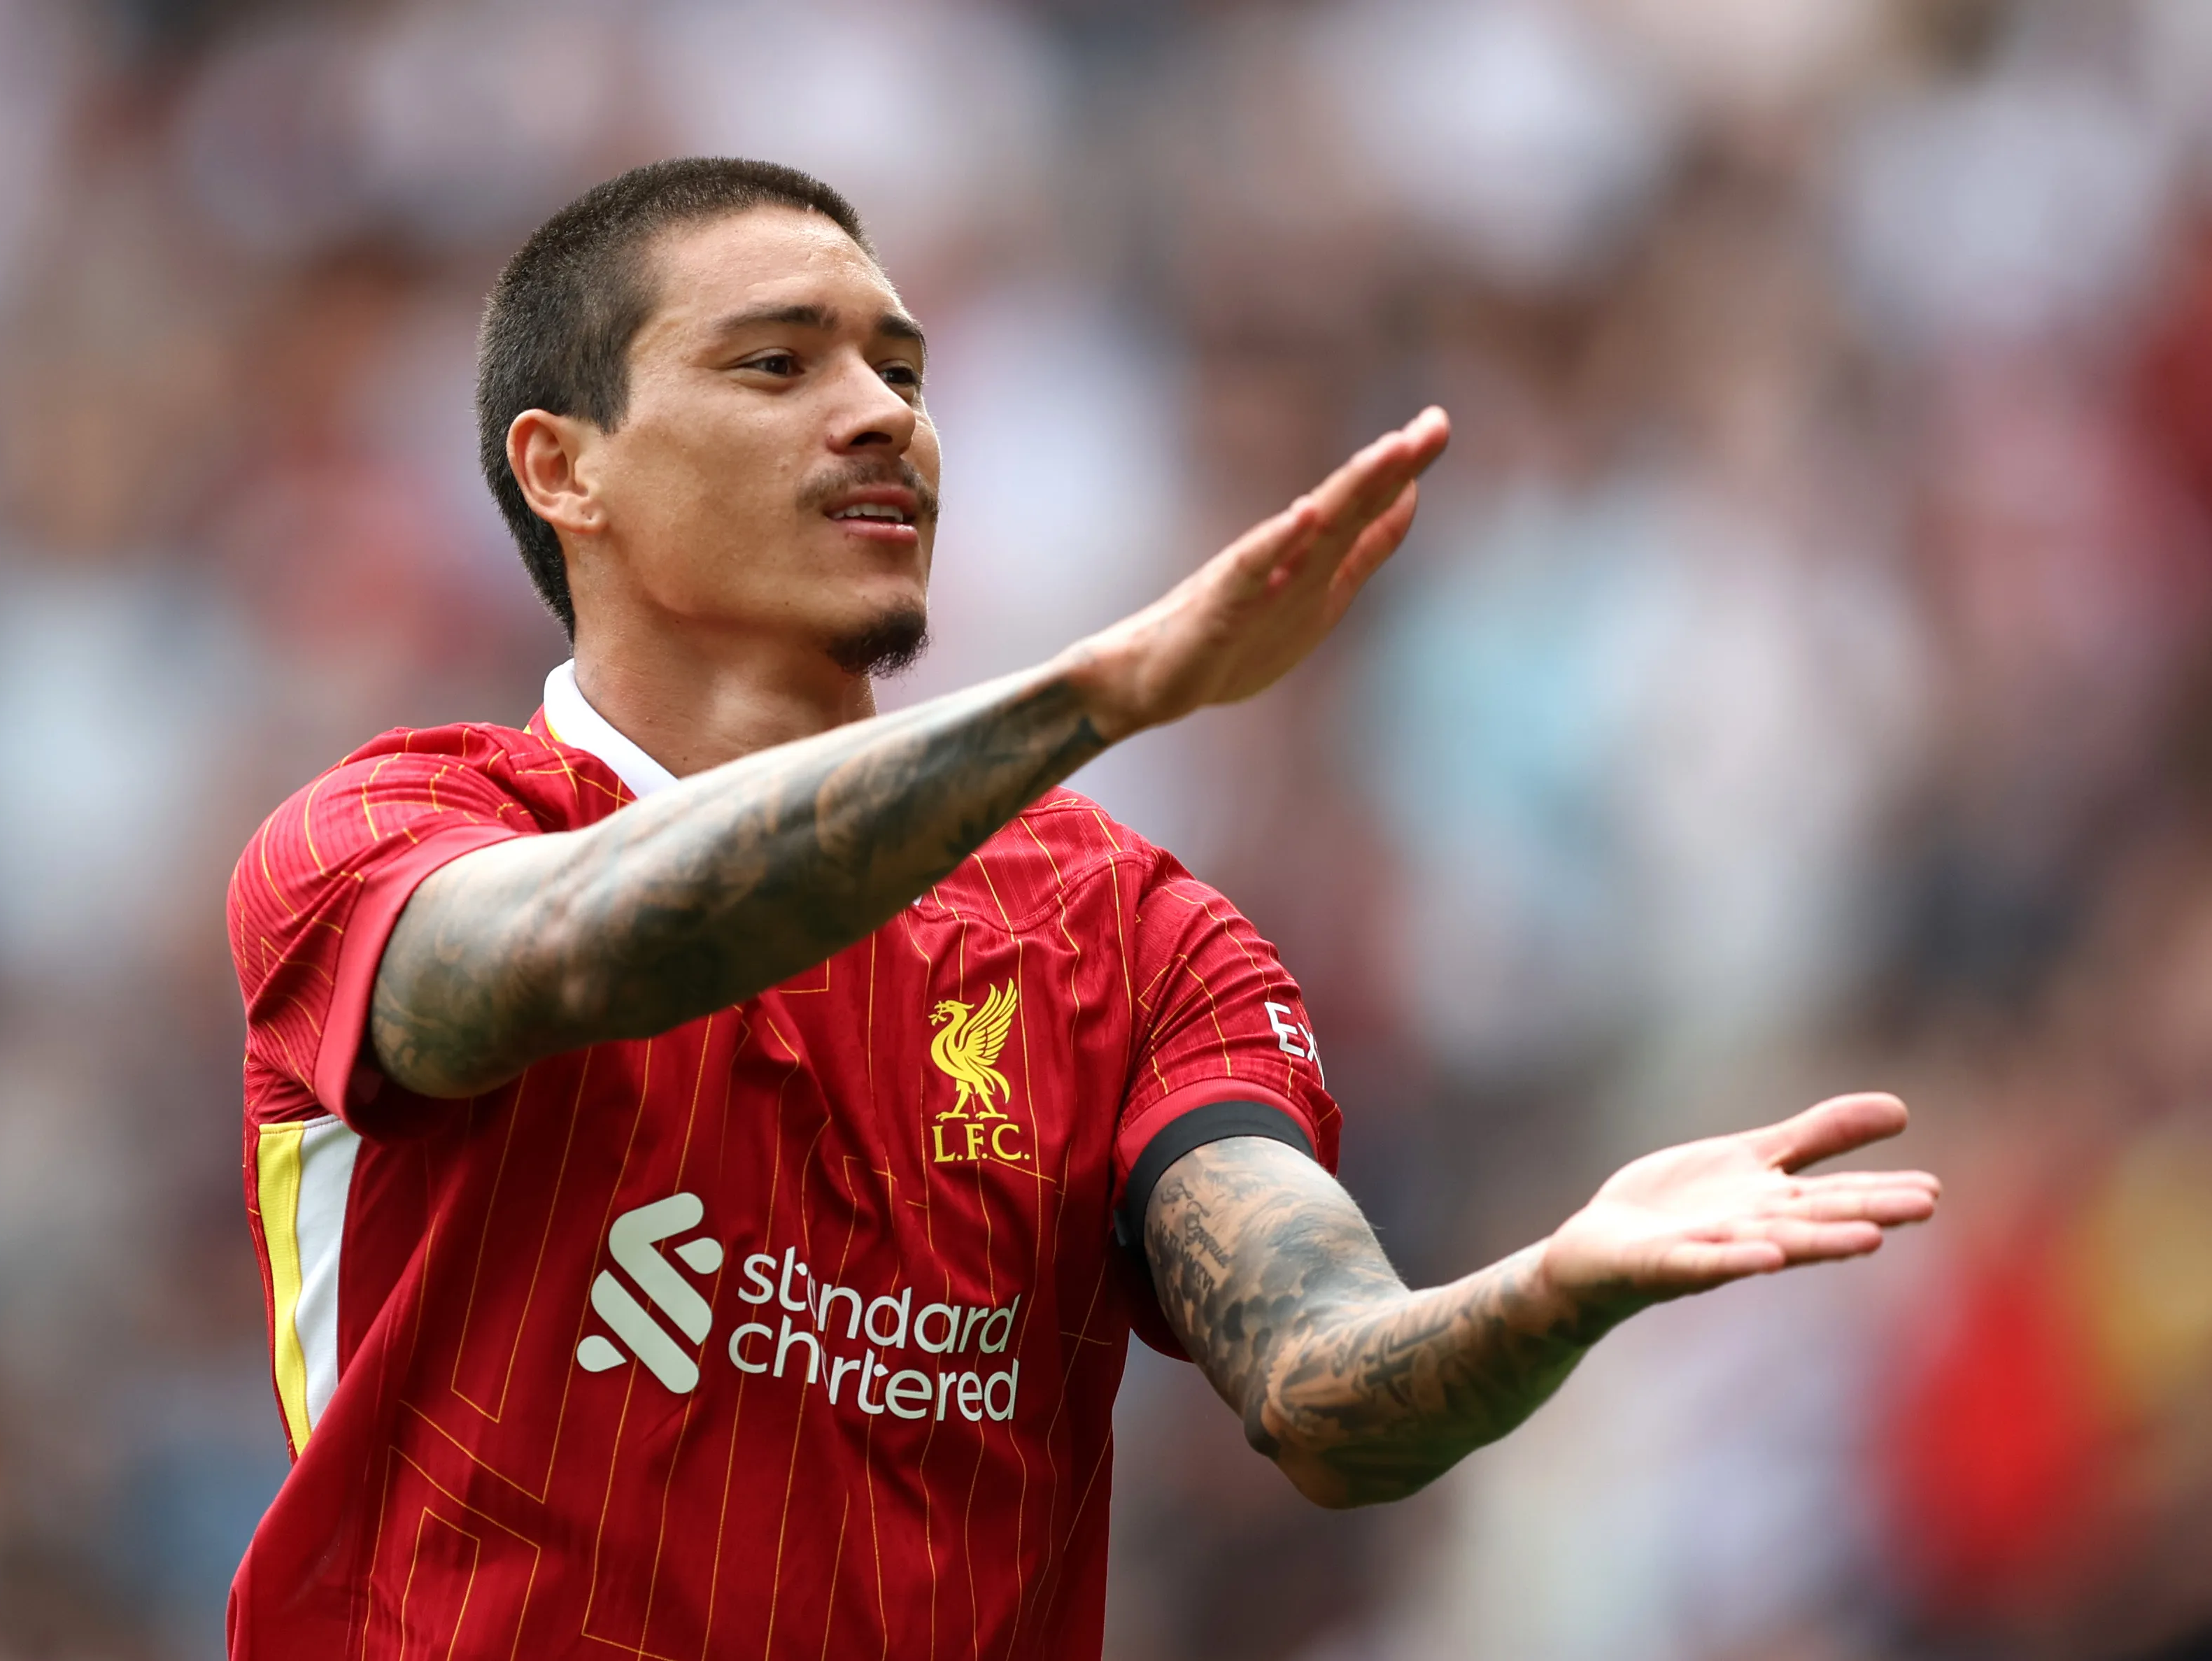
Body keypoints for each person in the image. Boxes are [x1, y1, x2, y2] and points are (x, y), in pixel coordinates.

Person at [224, 157, 1939, 1660]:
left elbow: (1323, 1387)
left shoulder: (1131, 936)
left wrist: (1552, 1286)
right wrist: (1093, 698)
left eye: (904, 367)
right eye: (777, 361)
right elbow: (581, 943)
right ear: (561, 468)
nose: (883, 409)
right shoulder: (388, 832)